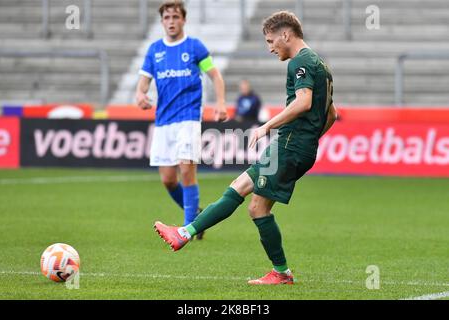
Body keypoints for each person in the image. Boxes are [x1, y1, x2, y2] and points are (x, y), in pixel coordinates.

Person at [154, 11, 338, 284]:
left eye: (271, 40)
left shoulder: (299, 62)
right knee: (239, 186)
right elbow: (331, 114)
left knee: (258, 209)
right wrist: (310, 139)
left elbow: (303, 102)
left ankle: (281, 273)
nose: (270, 48)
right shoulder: (320, 65)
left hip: (289, 145)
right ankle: (184, 233)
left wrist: (267, 126)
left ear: (285, 34)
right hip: (295, 146)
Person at [135, 1, 228, 238]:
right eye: (167, 17)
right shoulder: (154, 50)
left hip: (188, 117)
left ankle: (187, 229)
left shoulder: (194, 47)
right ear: (162, 21)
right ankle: (197, 216)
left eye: (175, 17)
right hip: (164, 120)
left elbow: (215, 77)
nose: (171, 21)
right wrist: (140, 95)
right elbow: (143, 83)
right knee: (168, 180)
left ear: (183, 20)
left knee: (187, 170)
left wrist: (220, 104)